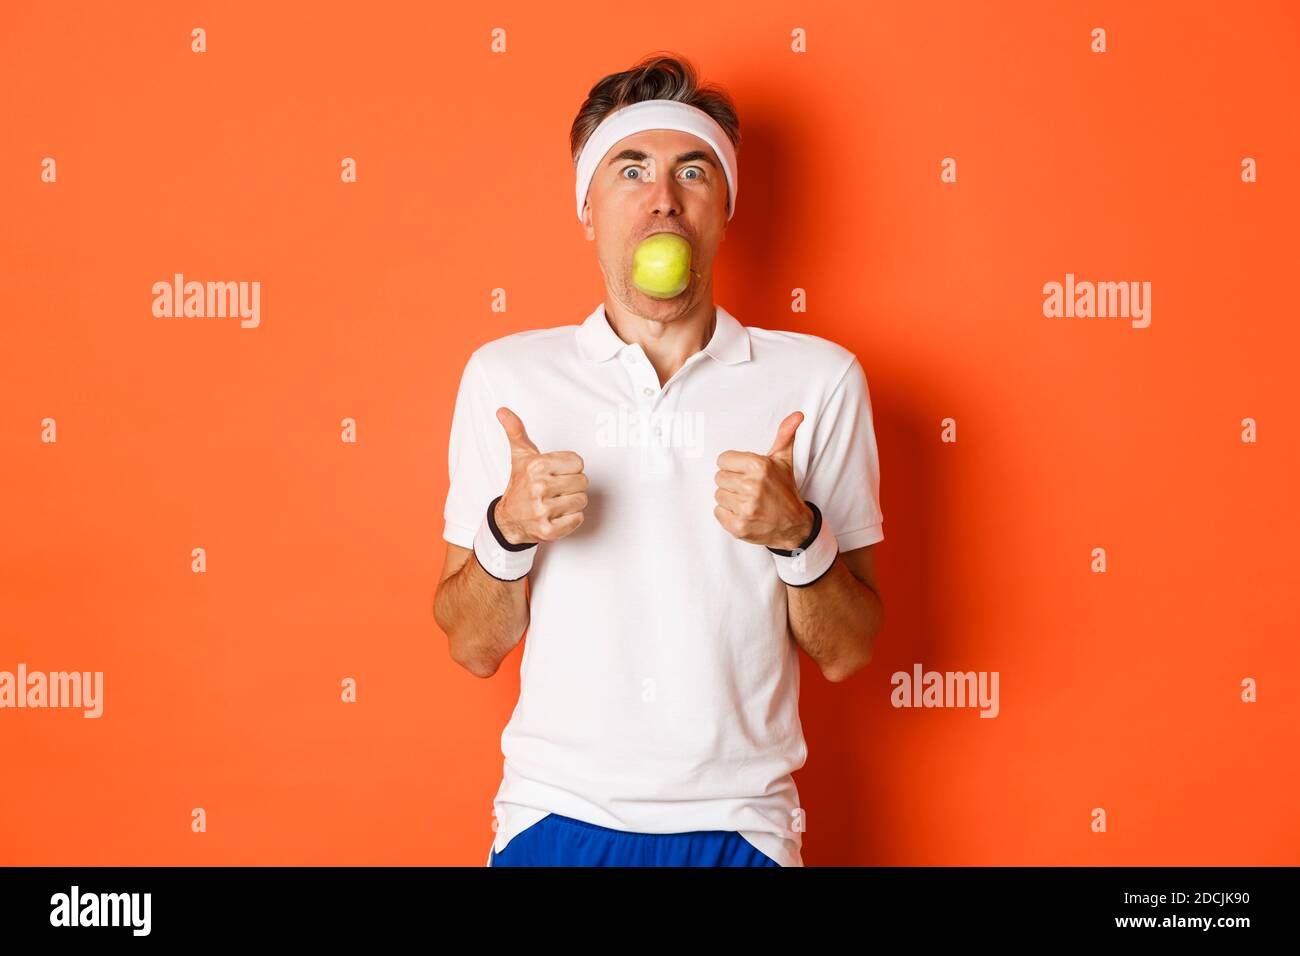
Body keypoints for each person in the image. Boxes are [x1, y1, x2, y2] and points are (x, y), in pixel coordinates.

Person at [433, 52, 886, 867]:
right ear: (588, 208)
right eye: (630, 169)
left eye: (694, 171)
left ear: (725, 209)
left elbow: (849, 651)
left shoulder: (818, 381)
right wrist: (507, 532)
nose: (663, 199)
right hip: (554, 815)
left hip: (744, 826)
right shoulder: (507, 379)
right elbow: (472, 646)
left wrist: (798, 537)